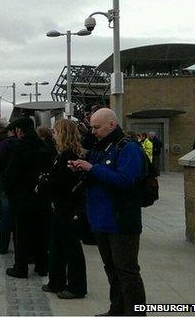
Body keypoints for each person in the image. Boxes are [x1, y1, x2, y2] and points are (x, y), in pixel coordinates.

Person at [68, 108, 146, 316]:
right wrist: (82, 168)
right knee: (111, 269)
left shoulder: (128, 148)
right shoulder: (102, 147)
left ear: (112, 125)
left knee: (127, 271)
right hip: (101, 220)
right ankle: (117, 309)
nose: (92, 131)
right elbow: (98, 175)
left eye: (96, 127)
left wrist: (92, 168)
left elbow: (124, 181)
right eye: (91, 127)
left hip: (121, 221)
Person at [41, 119, 87, 300]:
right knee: (57, 246)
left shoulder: (69, 155)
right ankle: (56, 281)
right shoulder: (64, 153)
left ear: (62, 134)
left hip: (68, 207)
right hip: (61, 206)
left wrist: (46, 183)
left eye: (55, 131)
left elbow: (62, 182)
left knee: (71, 248)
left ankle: (76, 287)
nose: (53, 134)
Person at [4, 117, 49, 278]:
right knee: (41, 233)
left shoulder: (18, 147)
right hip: (41, 197)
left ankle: (21, 268)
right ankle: (42, 266)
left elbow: (12, 173)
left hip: (21, 198)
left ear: (19, 130)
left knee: (21, 234)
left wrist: (7, 189)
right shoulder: (44, 145)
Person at [0, 121, 15, 254]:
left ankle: (3, 245)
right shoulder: (37, 144)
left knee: (6, 213)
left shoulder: (4, 144)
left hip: (6, 183)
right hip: (24, 188)